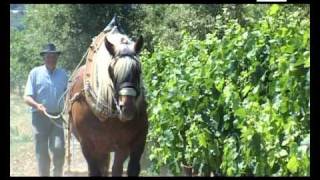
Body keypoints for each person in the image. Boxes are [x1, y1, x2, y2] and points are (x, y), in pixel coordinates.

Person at [23, 43, 68, 176]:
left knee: (59, 149)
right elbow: (26, 97)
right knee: (42, 152)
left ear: (57, 58)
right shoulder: (35, 73)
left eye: (54, 56)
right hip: (39, 118)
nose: (51, 59)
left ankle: (57, 174)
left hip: (57, 118)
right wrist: (38, 106)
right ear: (44, 57)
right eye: (48, 56)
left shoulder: (63, 74)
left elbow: (69, 94)